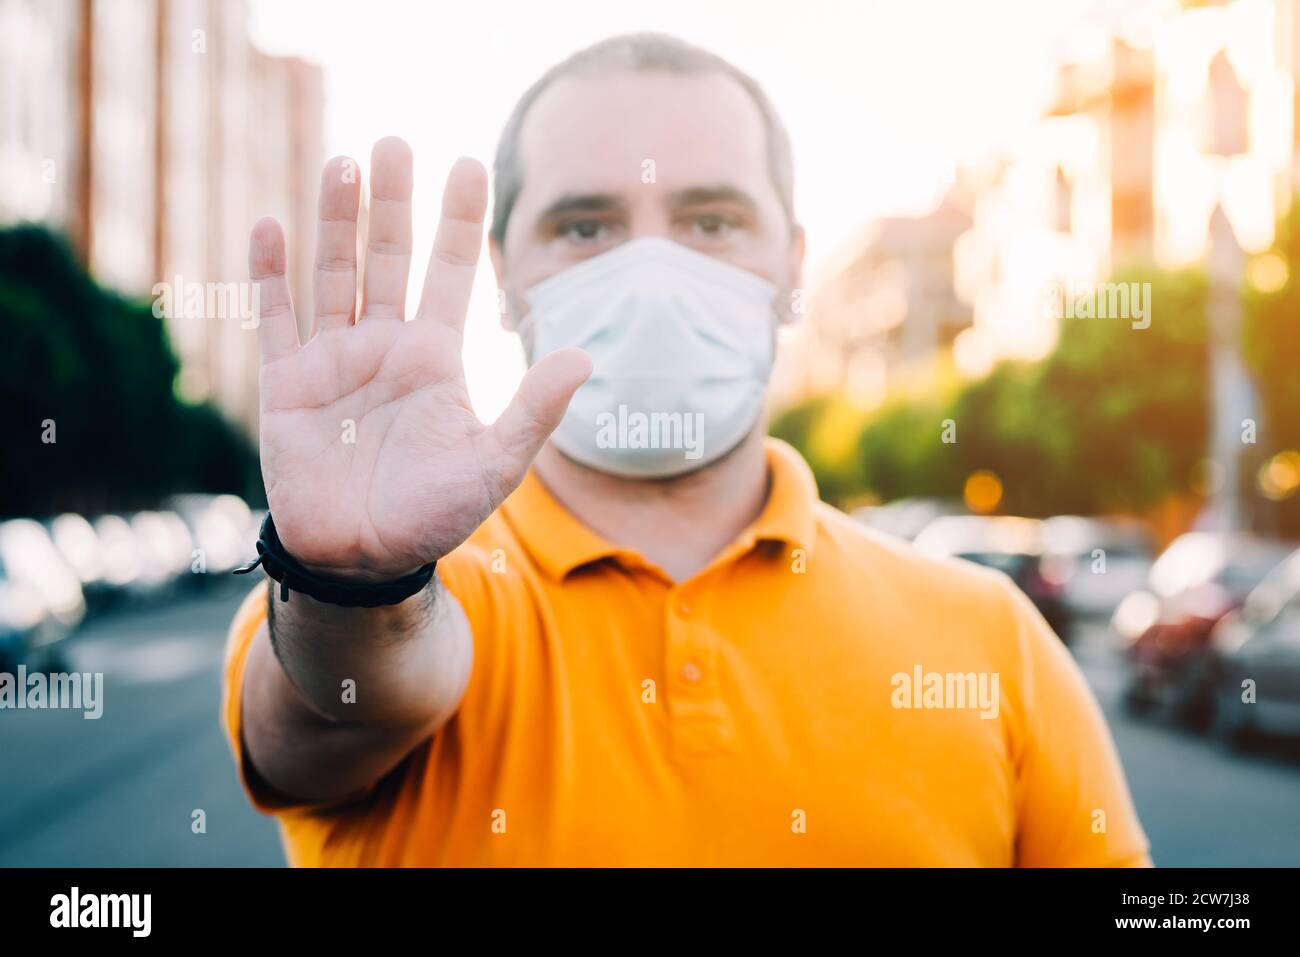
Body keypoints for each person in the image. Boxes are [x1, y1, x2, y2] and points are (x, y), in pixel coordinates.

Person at [222, 32, 1151, 866]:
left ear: (792, 266)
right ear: (504, 279)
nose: (654, 273)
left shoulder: (989, 637)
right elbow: (348, 704)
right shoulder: (397, 596)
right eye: (586, 226)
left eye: (711, 221)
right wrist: (358, 585)